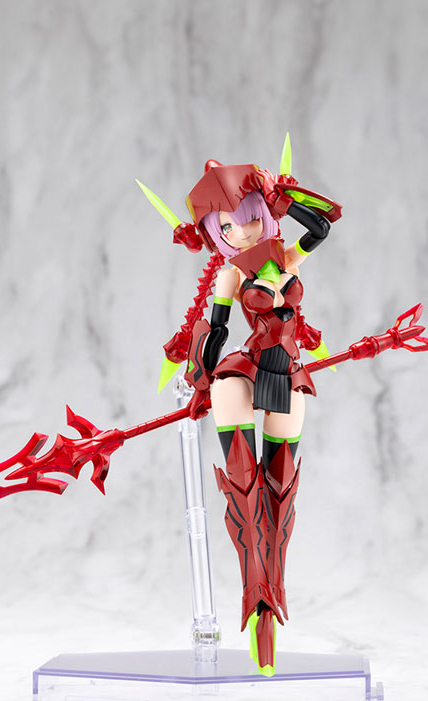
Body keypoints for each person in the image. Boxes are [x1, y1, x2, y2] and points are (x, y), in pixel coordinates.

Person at [179, 156, 341, 674]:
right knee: (243, 474)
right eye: (226, 227)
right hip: (248, 365)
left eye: (250, 217)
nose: (242, 231)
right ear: (214, 234)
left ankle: (273, 587)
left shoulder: (287, 258)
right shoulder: (232, 273)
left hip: (286, 368)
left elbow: (323, 225)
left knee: (281, 487)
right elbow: (217, 329)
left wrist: (283, 198)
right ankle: (254, 585)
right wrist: (201, 377)